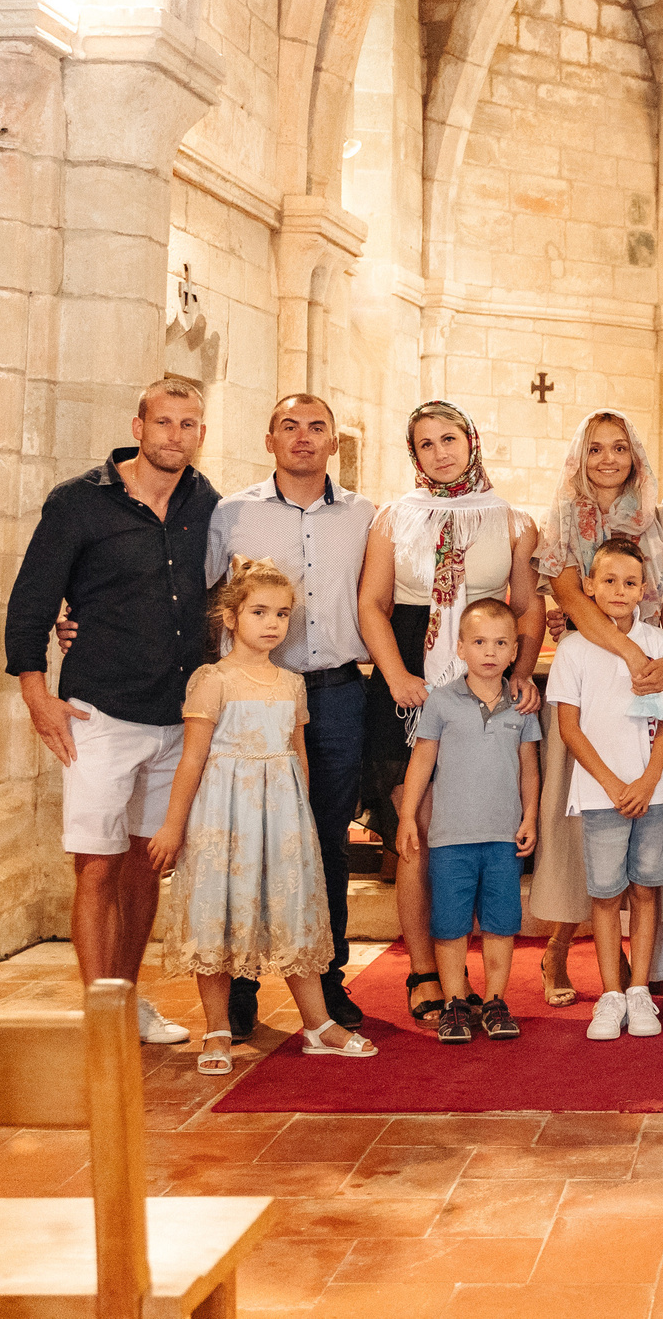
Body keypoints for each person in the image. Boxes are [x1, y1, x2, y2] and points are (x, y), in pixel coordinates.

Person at [4, 375, 218, 1046]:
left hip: (175, 713)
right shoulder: (79, 504)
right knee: (96, 863)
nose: (174, 436)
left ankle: (127, 1000)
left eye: (188, 424)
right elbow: (32, 603)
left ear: (200, 434)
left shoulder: (205, 502)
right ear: (138, 426)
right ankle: (99, 1017)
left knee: (142, 862)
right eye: (164, 422)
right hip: (100, 712)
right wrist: (38, 695)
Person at [356, 401, 543, 1032]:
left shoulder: (512, 522)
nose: (441, 451)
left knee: (475, 826)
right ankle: (425, 971)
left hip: (484, 683)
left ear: (472, 440)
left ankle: (477, 982)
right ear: (414, 454)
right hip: (410, 685)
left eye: (450, 438)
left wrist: (518, 674)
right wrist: (397, 677)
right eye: (426, 443)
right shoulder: (392, 519)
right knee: (419, 833)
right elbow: (372, 604)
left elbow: (526, 606)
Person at [149, 557, 377, 1071]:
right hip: (223, 818)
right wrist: (172, 826)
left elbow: (298, 757)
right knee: (220, 919)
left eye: (281, 614)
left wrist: (305, 825)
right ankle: (217, 1029)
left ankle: (318, 1024)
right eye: (259, 612)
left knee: (292, 914)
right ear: (230, 617)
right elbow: (191, 758)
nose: (272, 623)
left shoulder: (291, 683)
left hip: (282, 820)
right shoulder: (213, 679)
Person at [205, 393, 377, 1041]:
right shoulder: (233, 512)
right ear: (269, 438)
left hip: (335, 692)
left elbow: (379, 598)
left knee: (323, 836)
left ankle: (328, 974)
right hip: (253, 697)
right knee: (251, 836)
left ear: (334, 442)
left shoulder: (364, 515)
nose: (303, 437)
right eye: (289, 426)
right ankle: (243, 981)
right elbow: (204, 598)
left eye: (316, 427)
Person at [537, 408, 663, 1008]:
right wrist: (631, 651)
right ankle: (557, 947)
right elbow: (570, 594)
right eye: (595, 448)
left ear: (635, 456)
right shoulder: (562, 522)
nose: (607, 459)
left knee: (643, 833)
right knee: (583, 829)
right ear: (580, 456)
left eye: (619, 448)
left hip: (650, 674)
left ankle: (635, 965)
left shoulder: (660, 519)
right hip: (602, 671)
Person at [550, 537, 663, 1041]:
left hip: (652, 794)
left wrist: (649, 780)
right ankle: (610, 994)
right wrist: (611, 783)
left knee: (647, 891)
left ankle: (640, 991)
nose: (620, 590)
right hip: (600, 793)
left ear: (645, 589)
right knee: (606, 897)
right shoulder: (574, 647)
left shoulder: (655, 645)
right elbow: (570, 728)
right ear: (589, 587)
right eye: (608, 581)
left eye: (630, 582)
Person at [397, 597, 540, 1045]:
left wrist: (531, 815)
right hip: (450, 838)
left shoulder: (520, 705)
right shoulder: (441, 701)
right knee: (450, 923)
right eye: (479, 642)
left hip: (501, 836)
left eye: (500, 643)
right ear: (460, 647)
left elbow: (529, 767)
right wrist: (407, 816)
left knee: (500, 923)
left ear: (515, 651)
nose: (490, 652)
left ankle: (495, 1000)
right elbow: (422, 760)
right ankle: (456, 1002)